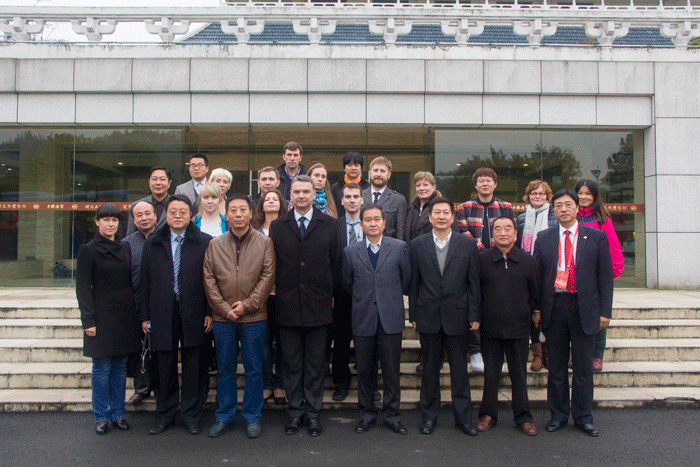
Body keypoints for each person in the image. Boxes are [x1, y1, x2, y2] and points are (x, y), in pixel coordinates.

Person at [533, 189, 613, 437]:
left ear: (578, 208)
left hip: (584, 308)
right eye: (558, 205)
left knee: (583, 367)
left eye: (568, 204)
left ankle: (583, 417)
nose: (564, 209)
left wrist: (605, 311)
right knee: (556, 367)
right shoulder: (544, 237)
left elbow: (606, 277)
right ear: (553, 210)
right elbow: (537, 277)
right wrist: (537, 308)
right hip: (555, 307)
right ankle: (558, 415)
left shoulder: (596, 237)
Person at [269, 175, 342, 437]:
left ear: (314, 195)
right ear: (290, 195)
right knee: (291, 365)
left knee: (314, 365)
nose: (301, 196)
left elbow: (336, 264)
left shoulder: (330, 225)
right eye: (296, 191)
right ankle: (294, 412)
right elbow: (273, 264)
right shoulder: (278, 226)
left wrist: (330, 297)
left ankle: (313, 414)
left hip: (319, 308)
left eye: (306, 192)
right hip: (286, 307)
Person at [203, 194, 276, 439]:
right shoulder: (215, 244)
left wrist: (247, 305)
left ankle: (252, 416)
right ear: (227, 214)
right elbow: (209, 279)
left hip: (254, 317)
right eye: (232, 209)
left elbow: (268, 277)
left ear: (250, 213)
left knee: (254, 368)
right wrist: (224, 309)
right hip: (223, 318)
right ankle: (224, 415)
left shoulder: (264, 242)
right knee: (225, 368)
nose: (237, 214)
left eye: (242, 209)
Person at [140, 194, 213, 436]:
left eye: (183, 212)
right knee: (163, 365)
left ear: (191, 215)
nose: (178, 216)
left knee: (195, 365)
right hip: (162, 312)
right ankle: (165, 413)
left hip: (195, 312)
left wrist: (210, 312)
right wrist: (145, 316)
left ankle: (191, 414)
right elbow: (144, 281)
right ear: (165, 215)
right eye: (173, 212)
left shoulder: (205, 242)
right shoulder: (153, 243)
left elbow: (212, 281)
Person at [408, 197, 480, 437]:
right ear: (429, 217)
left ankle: (464, 419)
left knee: (460, 372)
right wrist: (414, 314)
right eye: (436, 212)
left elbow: (473, 282)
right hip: (428, 315)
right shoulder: (417, 244)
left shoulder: (467, 244)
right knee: (430, 371)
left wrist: (474, 314)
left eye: (446, 212)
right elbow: (414, 283)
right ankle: (428, 418)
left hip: (458, 315)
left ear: (453, 217)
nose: (441, 216)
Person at [343, 204, 411, 436]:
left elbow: (406, 280)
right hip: (363, 319)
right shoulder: (350, 252)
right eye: (368, 220)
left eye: (376, 219)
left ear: (384, 223)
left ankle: (392, 415)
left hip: (390, 319)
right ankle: (367, 413)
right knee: (365, 371)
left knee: (391, 371)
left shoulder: (399, 248)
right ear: (361, 224)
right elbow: (348, 284)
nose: (372, 223)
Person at [76, 203, 141, 435]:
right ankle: (101, 416)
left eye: (114, 220)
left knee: (120, 367)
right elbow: (83, 288)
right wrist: (88, 321)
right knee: (102, 368)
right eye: (106, 220)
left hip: (124, 316)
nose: (111, 224)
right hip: (100, 317)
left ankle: (118, 413)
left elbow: (130, 282)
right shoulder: (88, 250)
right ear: (97, 222)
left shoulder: (124, 247)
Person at [476, 216, 541, 437]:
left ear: (515, 233)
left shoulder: (528, 261)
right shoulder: (482, 260)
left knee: (519, 375)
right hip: (490, 328)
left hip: (519, 328)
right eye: (498, 229)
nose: (503, 233)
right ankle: (487, 415)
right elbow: (475, 292)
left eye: (507, 229)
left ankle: (524, 417)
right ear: (492, 233)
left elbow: (536, 293)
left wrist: (536, 314)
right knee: (491, 374)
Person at [454, 167, 515, 373]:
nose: (485, 183)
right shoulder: (465, 207)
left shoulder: (506, 207)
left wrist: (497, 252)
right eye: (481, 180)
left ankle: (498, 349)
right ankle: (476, 350)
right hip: (475, 261)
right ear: (475, 185)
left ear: (495, 184)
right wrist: (486, 252)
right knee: (475, 303)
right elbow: (464, 232)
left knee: (497, 303)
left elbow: (511, 232)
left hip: (502, 261)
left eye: (489, 180)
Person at [576, 179, 624, 372]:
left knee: (598, 318)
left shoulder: (602, 219)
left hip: (596, 276)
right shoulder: (571, 217)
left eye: (588, 193)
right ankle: (580, 356)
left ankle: (597, 355)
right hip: (575, 276)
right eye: (580, 193)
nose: (583, 197)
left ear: (595, 196)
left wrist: (614, 270)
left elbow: (613, 247)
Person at [516, 180, 558, 372]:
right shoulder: (522, 218)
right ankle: (537, 354)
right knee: (532, 311)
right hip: (527, 269)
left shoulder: (554, 215)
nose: (537, 196)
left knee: (548, 312)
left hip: (549, 269)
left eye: (541, 193)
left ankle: (549, 352)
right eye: (533, 193)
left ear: (547, 196)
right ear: (528, 196)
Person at [252, 189, 288, 404]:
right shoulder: (253, 230)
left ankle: (280, 383)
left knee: (282, 342)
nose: (271, 201)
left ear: (281, 204)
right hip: (260, 295)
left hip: (283, 294)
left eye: (275, 199)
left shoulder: (287, 228)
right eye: (268, 199)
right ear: (262, 205)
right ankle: (266, 382)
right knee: (263, 343)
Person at [328, 183, 364, 402]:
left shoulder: (371, 223)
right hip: (341, 293)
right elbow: (330, 259)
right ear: (341, 201)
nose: (351, 200)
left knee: (367, 342)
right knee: (341, 342)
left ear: (362, 200)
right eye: (347, 196)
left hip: (366, 293)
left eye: (355, 196)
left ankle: (368, 384)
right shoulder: (334, 226)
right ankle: (341, 383)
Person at [122, 200, 157, 407]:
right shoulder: (126, 244)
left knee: (159, 349)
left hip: (161, 302)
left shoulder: (164, 238)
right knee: (139, 349)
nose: (144, 218)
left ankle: (161, 388)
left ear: (155, 215)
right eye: (139, 215)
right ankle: (141, 388)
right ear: (134, 220)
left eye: (147, 213)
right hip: (135, 302)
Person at [362, 157, 407, 240]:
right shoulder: (359, 196)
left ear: (389, 175)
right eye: (375, 170)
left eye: (382, 171)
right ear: (370, 173)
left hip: (388, 246)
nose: (378, 174)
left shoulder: (398, 200)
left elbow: (400, 233)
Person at [126, 166, 172, 236]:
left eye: (162, 179)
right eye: (154, 179)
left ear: (169, 183)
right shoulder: (137, 205)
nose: (158, 183)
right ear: (149, 182)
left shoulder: (176, 204)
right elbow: (130, 235)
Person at [330, 151, 370, 218]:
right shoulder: (336, 187)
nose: (353, 168)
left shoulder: (368, 187)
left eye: (356, 165)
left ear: (361, 168)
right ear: (344, 168)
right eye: (350, 165)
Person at [405, 171, 440, 243]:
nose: (421, 188)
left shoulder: (439, 207)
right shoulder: (411, 209)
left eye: (425, 185)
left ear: (434, 187)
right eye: (418, 185)